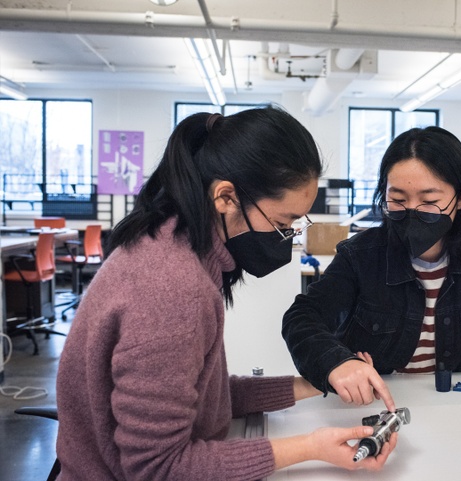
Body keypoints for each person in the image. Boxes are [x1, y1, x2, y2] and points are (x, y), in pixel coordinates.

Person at [55, 106, 397, 481]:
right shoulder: (172, 288)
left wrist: (318, 382)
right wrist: (310, 447)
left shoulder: (178, 249)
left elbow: (206, 399)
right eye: (282, 224)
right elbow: (156, 467)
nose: (287, 237)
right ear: (225, 197)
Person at [282, 126, 461, 406]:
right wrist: (335, 362)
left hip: (460, 402)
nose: (412, 211)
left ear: (460, 199)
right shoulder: (361, 255)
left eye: (429, 201)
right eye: (398, 200)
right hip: (379, 403)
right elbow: (302, 317)